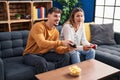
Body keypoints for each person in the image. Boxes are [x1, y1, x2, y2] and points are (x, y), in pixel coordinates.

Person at [23, 7, 74, 74]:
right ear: (48, 16)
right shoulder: (38, 26)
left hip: (44, 54)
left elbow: (57, 49)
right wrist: (61, 42)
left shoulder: (55, 32)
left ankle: (59, 77)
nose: (58, 19)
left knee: (65, 56)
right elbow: (42, 43)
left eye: (59, 16)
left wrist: (68, 49)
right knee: (41, 61)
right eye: (55, 16)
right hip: (30, 54)